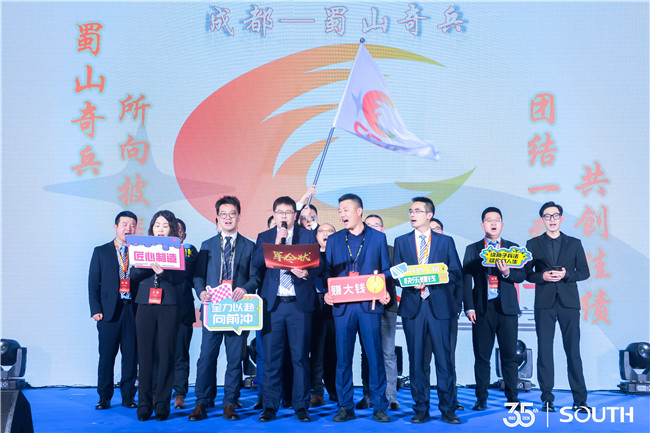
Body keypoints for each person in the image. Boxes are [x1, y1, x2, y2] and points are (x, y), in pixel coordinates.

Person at [188, 196, 259, 421]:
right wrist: (201, 292)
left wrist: (245, 288)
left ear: (239, 216)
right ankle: (202, 401)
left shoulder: (250, 246)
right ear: (217, 218)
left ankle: (230, 402)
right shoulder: (207, 245)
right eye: (223, 214)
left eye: (232, 214)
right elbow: (198, 276)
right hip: (213, 309)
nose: (228, 218)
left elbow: (256, 277)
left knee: (234, 358)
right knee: (206, 357)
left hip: (237, 311)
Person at [253, 196, 323, 422]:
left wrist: (307, 273)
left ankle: (301, 406)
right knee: (272, 359)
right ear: (274, 215)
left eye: (288, 212)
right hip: (273, 306)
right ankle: (269, 406)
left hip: (298, 306)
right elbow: (255, 263)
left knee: (300, 358)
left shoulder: (307, 235)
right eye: (280, 212)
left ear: (295, 215)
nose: (284, 216)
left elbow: (318, 265)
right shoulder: (265, 236)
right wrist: (275, 241)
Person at [323, 194, 392, 423]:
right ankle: (345, 406)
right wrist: (326, 293)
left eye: (346, 210)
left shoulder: (378, 238)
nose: (342, 214)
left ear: (359, 211)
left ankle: (379, 406)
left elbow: (386, 270)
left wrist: (383, 288)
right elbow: (327, 272)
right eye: (339, 211)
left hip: (369, 306)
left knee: (374, 357)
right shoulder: (334, 240)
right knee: (343, 359)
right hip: (343, 307)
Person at [393, 197, 462, 424]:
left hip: (439, 306)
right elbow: (396, 275)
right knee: (417, 361)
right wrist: (409, 281)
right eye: (410, 211)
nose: (412, 214)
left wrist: (434, 277)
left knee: (444, 360)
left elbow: (456, 273)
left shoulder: (445, 241)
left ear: (429, 215)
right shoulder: (401, 241)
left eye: (417, 211)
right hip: (413, 307)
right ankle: (421, 408)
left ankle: (448, 409)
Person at [524, 201, 590, 413]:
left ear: (561, 218)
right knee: (545, 350)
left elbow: (584, 272)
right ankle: (547, 399)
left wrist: (566, 274)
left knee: (573, 351)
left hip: (569, 303)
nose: (551, 220)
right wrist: (542, 276)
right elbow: (527, 273)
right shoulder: (533, 244)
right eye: (547, 216)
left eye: (555, 216)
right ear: (542, 220)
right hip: (544, 303)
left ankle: (580, 400)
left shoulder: (575, 243)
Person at [462, 207, 525, 411]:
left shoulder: (512, 248)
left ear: (502, 224)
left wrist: (507, 272)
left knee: (509, 356)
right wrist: (469, 307)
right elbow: (466, 280)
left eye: (497, 219)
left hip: (507, 309)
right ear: (483, 225)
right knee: (482, 357)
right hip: (482, 309)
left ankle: (512, 398)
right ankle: (481, 399)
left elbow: (521, 275)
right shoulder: (473, 249)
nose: (493, 223)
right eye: (489, 220)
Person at [131, 210, 190, 421]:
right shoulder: (142, 247)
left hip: (169, 304)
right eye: (157, 225)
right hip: (145, 303)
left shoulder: (178, 249)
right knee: (145, 356)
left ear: (172, 229)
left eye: (165, 226)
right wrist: (150, 267)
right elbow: (133, 275)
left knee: (166, 355)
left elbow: (183, 278)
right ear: (152, 228)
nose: (161, 229)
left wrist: (165, 272)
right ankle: (144, 404)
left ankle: (162, 404)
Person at [88, 211, 139, 410]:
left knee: (131, 357)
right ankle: (104, 397)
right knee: (107, 357)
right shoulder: (101, 251)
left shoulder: (140, 252)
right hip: (108, 312)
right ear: (116, 227)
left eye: (132, 225)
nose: (129, 228)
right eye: (124, 224)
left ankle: (128, 396)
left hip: (132, 310)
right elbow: (93, 283)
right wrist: (95, 309)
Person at [356, 215, 400, 411]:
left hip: (387, 307)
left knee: (388, 353)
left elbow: (399, 276)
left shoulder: (392, 250)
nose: (372, 228)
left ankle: (391, 397)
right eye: (369, 225)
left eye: (376, 225)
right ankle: (368, 396)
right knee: (367, 353)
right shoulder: (358, 249)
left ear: (382, 230)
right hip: (365, 308)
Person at [424, 217, 464, 412]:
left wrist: (455, 307)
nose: (434, 232)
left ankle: (451, 401)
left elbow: (459, 280)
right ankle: (422, 404)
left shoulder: (448, 249)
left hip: (446, 313)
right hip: (421, 312)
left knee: (447, 360)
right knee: (422, 361)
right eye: (430, 229)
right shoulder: (418, 253)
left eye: (437, 229)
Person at [310, 223, 338, 407]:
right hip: (315, 309)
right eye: (322, 231)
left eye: (330, 231)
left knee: (334, 352)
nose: (326, 234)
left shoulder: (340, 255)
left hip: (337, 309)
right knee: (317, 353)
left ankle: (334, 390)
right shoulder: (310, 256)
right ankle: (317, 392)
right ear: (316, 236)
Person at [171, 219, 198, 410]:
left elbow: (194, 278)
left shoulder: (189, 253)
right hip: (160, 309)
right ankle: (157, 392)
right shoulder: (155, 252)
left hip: (183, 310)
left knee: (181, 354)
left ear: (184, 236)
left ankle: (179, 394)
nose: (176, 234)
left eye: (179, 232)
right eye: (173, 230)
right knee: (158, 355)